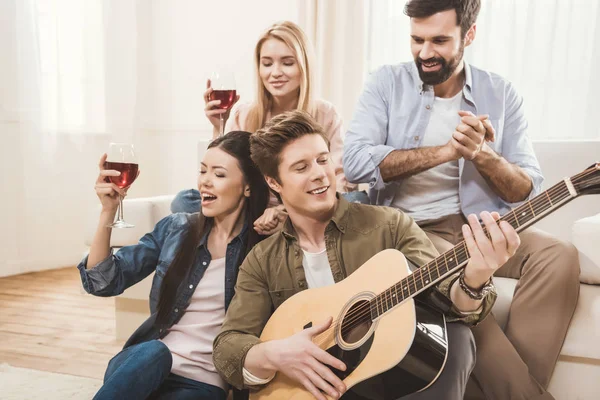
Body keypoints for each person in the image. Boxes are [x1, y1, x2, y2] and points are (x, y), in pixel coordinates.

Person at [342, 1, 580, 399]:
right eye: (416, 39)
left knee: (560, 256)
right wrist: (446, 151)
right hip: (411, 229)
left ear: (469, 35)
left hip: (482, 224)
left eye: (439, 40)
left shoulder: (500, 92)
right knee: (460, 282)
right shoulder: (385, 84)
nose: (424, 52)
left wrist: (482, 154)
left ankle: (506, 386)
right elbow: (355, 162)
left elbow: (526, 188)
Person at [213, 110, 521, 400]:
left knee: (456, 338)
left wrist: (476, 277)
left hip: (389, 379)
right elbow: (229, 345)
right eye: (302, 167)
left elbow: (446, 300)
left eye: (323, 160)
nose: (320, 174)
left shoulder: (389, 225)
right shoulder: (262, 260)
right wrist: (276, 354)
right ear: (273, 182)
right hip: (316, 389)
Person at [78, 131, 270, 400]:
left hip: (203, 382)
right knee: (156, 352)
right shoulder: (177, 229)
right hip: (144, 366)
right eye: (203, 171)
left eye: (219, 174)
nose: (205, 182)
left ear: (248, 186)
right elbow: (103, 281)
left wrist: (280, 211)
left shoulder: (263, 249)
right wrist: (108, 210)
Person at [172, 20, 363, 236]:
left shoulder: (325, 113)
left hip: (307, 204)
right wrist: (219, 128)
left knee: (356, 201)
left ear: (304, 66)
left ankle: (289, 223)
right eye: (267, 63)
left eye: (287, 63)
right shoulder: (243, 113)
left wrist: (285, 210)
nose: (275, 72)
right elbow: (226, 176)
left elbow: (339, 181)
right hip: (254, 209)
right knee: (183, 201)